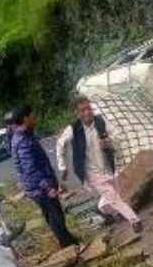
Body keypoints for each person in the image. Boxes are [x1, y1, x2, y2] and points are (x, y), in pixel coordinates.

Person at [56, 96, 143, 233]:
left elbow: (118, 135)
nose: (87, 112)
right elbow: (60, 144)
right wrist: (62, 166)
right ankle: (134, 220)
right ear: (77, 113)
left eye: (88, 108)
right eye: (82, 110)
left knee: (114, 196)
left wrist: (109, 141)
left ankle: (104, 211)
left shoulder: (101, 121)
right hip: (91, 172)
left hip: (107, 166)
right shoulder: (73, 129)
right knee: (112, 195)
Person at [10, 106, 79, 248]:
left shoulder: (21, 136)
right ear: (25, 119)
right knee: (56, 215)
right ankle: (69, 245)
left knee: (52, 214)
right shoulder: (23, 141)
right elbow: (30, 169)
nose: (34, 119)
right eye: (32, 116)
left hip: (35, 186)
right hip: (40, 187)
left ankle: (67, 240)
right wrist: (47, 187)